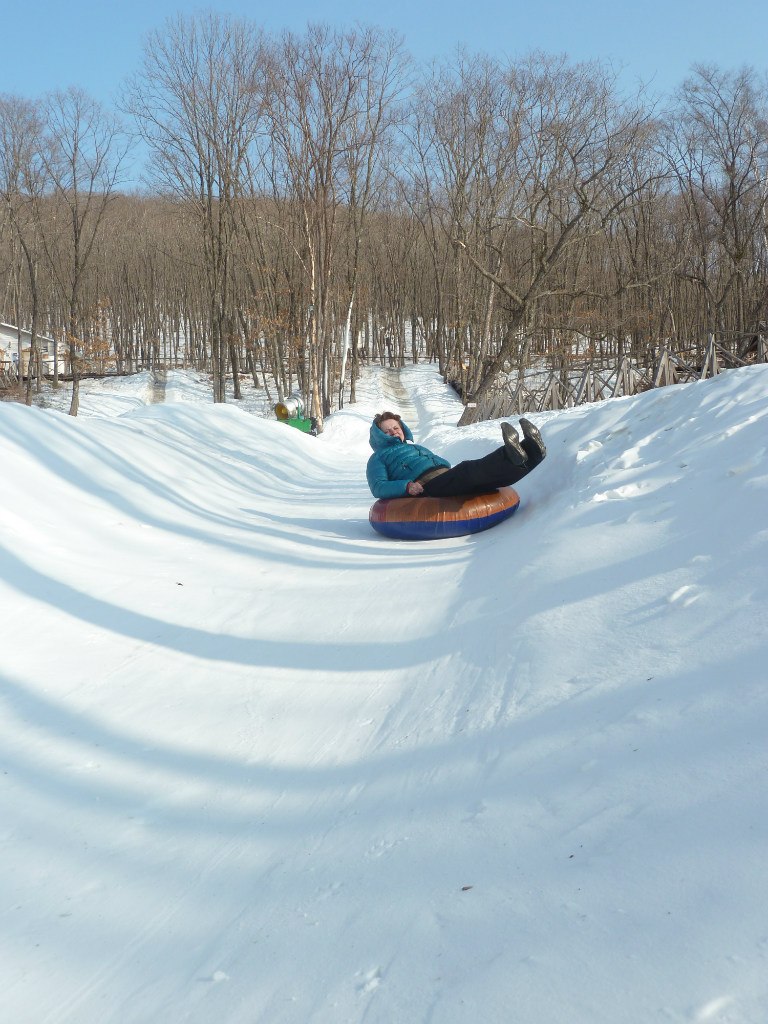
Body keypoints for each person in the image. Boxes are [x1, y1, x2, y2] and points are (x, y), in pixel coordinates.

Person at [366, 411, 547, 500]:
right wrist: (407, 486)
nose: (394, 432)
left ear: (402, 429)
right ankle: (510, 455)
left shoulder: (416, 447)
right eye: (387, 431)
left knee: (485, 480)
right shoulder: (378, 458)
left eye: (396, 428)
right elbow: (378, 487)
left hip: (444, 477)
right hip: (427, 487)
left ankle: (532, 451)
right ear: (380, 436)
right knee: (467, 469)